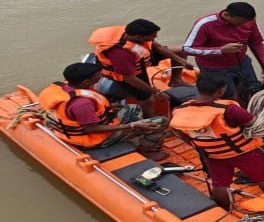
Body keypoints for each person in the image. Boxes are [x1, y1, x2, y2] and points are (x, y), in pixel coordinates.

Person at [169, 72, 264, 210]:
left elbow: (178, 131)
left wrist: (198, 144)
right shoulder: (229, 110)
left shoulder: (179, 110)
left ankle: (226, 210)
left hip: (214, 157)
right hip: (246, 153)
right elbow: (254, 124)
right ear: (221, 90)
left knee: (219, 186)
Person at [36, 62, 168, 160]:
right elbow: (91, 129)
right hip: (94, 139)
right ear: (87, 81)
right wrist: (131, 125)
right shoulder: (81, 104)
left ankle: (137, 135)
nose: (101, 76)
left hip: (89, 124)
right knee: (161, 121)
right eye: (98, 75)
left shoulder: (68, 87)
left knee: (134, 109)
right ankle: (146, 148)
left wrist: (108, 108)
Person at [88, 19, 193, 117]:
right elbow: (130, 78)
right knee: (148, 101)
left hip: (141, 59)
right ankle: (151, 122)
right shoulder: (121, 54)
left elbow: (159, 47)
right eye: (153, 36)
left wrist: (181, 61)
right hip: (127, 74)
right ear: (138, 37)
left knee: (180, 51)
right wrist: (156, 92)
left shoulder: (133, 33)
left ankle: (175, 80)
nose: (154, 38)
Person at [181, 2, 264, 103]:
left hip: (242, 62)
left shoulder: (249, 21)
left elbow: (257, 43)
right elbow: (187, 48)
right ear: (227, 15)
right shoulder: (205, 24)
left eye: (245, 22)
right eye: (240, 23)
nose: (243, 25)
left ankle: (251, 107)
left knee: (253, 88)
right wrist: (220, 50)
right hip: (214, 68)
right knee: (228, 97)